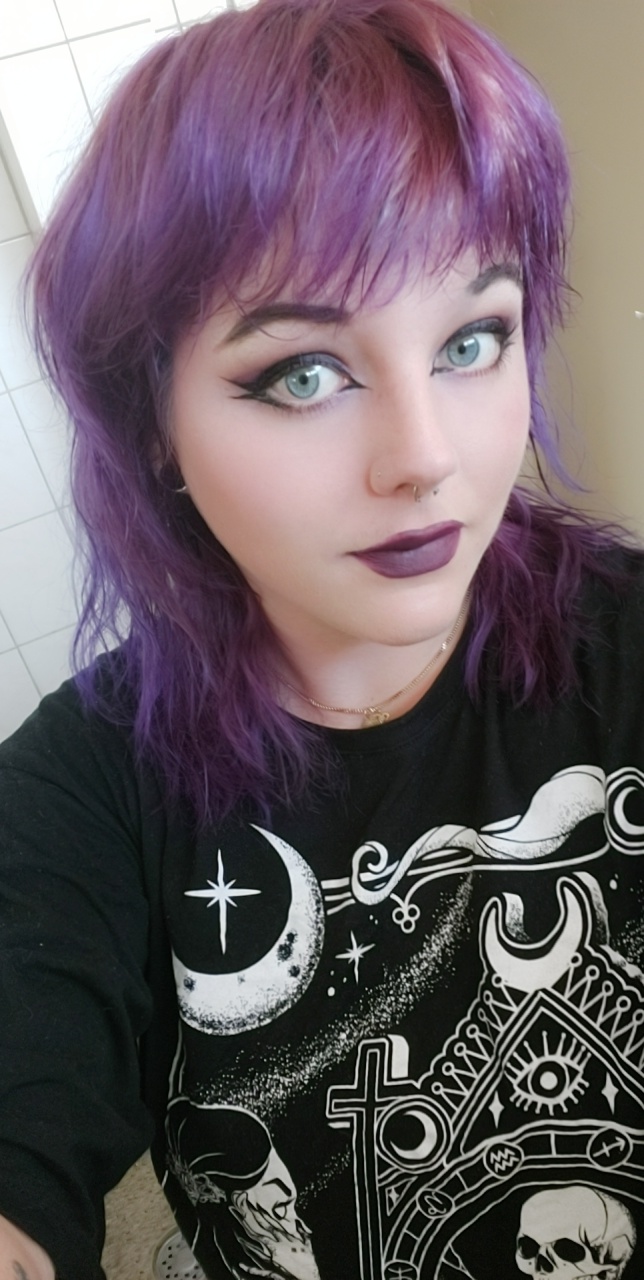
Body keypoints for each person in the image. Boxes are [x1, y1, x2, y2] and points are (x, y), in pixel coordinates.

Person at [1, 0, 643, 1277]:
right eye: (303, 373)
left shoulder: (620, 648)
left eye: (470, 340)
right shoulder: (84, 790)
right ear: (151, 424)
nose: (424, 458)